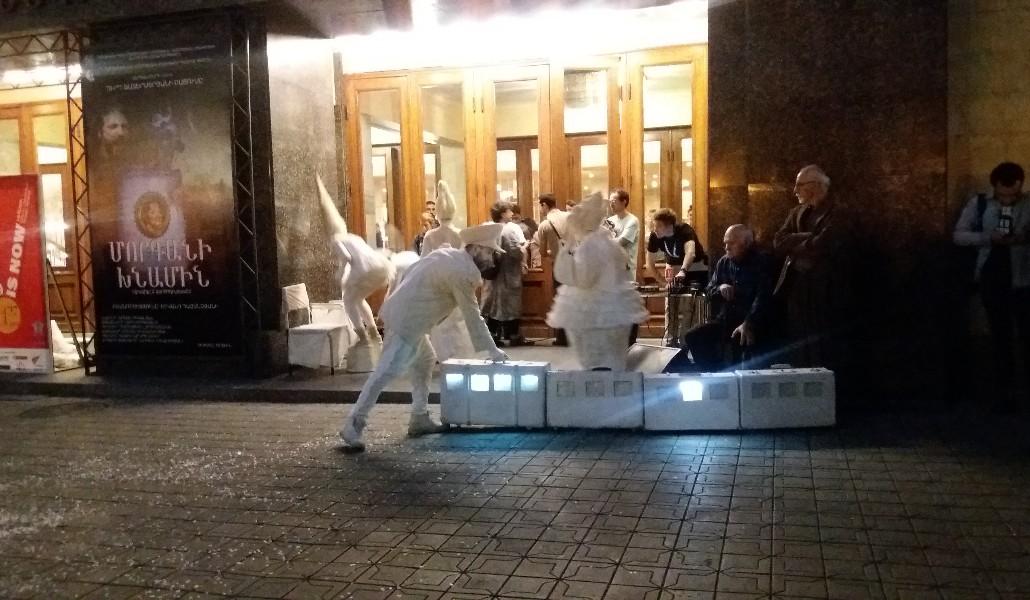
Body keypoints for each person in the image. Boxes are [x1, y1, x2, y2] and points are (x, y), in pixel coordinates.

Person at [339, 223, 511, 450]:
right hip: (407, 322)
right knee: (385, 372)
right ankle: (353, 425)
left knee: (425, 361)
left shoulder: (449, 256)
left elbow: (412, 273)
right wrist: (493, 350)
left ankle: (419, 418)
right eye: (489, 252)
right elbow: (472, 315)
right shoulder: (462, 271)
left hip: (407, 318)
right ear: (477, 249)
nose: (491, 260)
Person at [953, 161, 1030, 412]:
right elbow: (959, 235)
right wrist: (988, 238)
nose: (1008, 199)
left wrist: (1023, 237)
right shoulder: (980, 204)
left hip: (1023, 277)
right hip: (993, 276)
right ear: (995, 186)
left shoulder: (1027, 204)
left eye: (1013, 195)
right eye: (1003, 195)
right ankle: (1005, 391)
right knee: (1001, 336)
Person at [547, 193, 648, 371]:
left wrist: (568, 260)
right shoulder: (608, 241)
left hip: (596, 310)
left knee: (596, 361)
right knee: (614, 359)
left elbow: (584, 280)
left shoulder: (590, 245)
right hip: (616, 307)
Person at [773, 164, 849, 369]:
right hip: (798, 287)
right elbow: (779, 241)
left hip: (825, 288)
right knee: (800, 341)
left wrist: (797, 245)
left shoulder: (837, 212)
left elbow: (825, 242)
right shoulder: (796, 212)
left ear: (815, 185)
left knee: (822, 343)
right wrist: (808, 237)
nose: (795, 190)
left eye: (800, 185)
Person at [684, 225, 773, 371]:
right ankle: (713, 373)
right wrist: (720, 287)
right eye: (725, 243)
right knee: (693, 336)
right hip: (726, 320)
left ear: (746, 243)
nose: (726, 247)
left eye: (731, 243)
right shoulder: (724, 262)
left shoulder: (761, 262)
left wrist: (749, 323)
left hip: (753, 321)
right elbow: (709, 290)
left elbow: (764, 297)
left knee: (740, 341)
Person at [646, 208, 708, 346]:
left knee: (688, 305)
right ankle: (670, 340)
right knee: (670, 302)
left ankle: (686, 341)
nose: (655, 229)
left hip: (695, 267)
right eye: (654, 225)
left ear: (669, 225)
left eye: (659, 226)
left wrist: (683, 271)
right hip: (673, 265)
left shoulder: (685, 231)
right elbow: (649, 263)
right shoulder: (655, 236)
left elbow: (690, 253)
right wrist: (663, 282)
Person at [481, 200, 527, 346]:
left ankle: (492, 335)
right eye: (509, 211)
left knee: (491, 305)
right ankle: (513, 335)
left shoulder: (487, 229)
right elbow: (516, 253)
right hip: (508, 273)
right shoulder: (509, 230)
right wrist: (524, 250)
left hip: (490, 274)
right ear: (502, 214)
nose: (512, 213)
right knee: (510, 305)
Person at [605, 189, 642, 344]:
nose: (611, 204)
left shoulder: (632, 221)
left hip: (626, 269)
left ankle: (630, 341)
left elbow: (621, 242)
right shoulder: (609, 220)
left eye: (614, 200)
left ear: (624, 201)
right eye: (610, 201)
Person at [534, 194, 569, 345]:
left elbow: (542, 252)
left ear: (544, 205)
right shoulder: (569, 217)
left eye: (540, 205)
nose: (540, 209)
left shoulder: (545, 225)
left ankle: (563, 338)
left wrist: (553, 252)